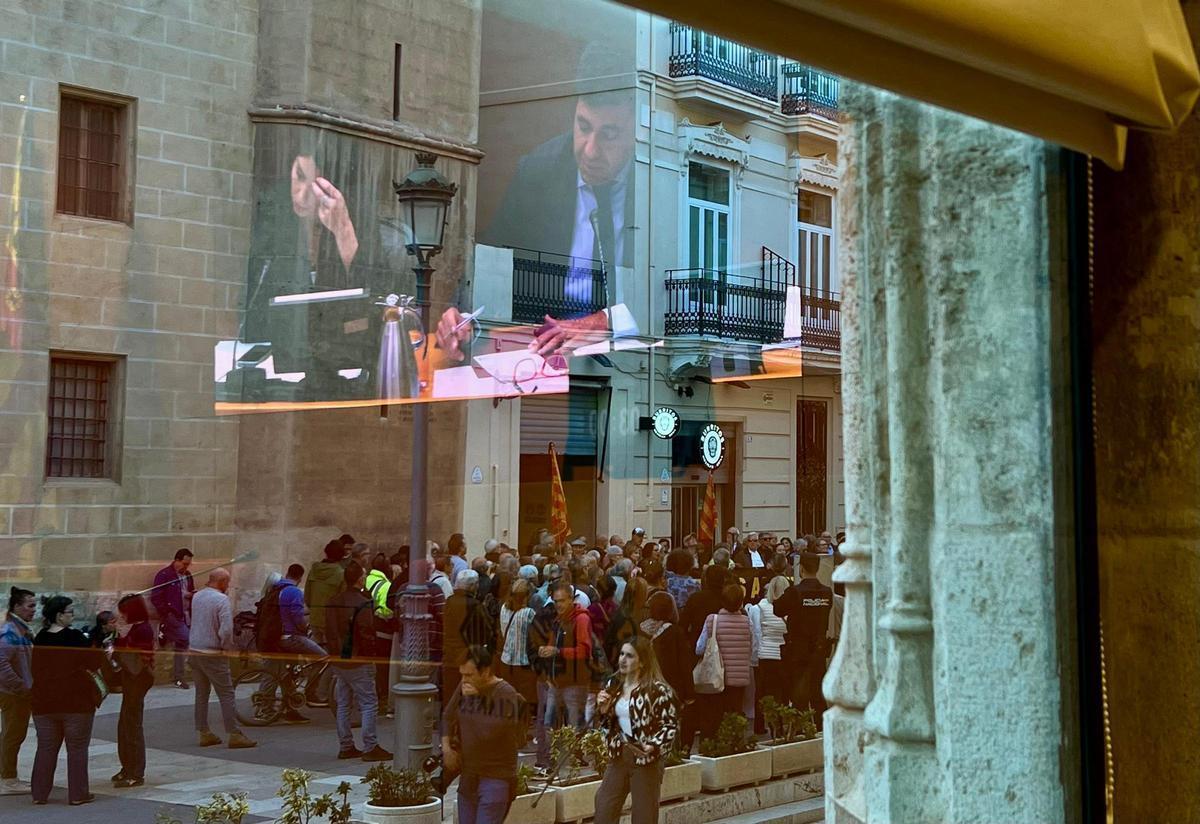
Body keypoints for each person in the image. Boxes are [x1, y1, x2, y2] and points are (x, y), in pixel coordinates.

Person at [594, 636, 678, 824]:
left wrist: (653, 746)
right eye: (622, 654)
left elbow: (670, 725)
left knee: (644, 816)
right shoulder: (613, 686)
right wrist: (603, 711)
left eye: (630, 656)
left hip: (646, 759)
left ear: (642, 662)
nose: (623, 659)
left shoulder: (658, 690)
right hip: (619, 755)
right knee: (604, 808)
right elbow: (607, 725)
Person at [443, 645, 528, 824]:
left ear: (485, 672)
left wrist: (476, 699)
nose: (464, 679)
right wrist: (447, 749)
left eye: (469, 675)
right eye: (462, 674)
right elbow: (447, 716)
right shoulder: (466, 686)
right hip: (468, 776)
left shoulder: (505, 693)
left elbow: (489, 732)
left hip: (495, 777)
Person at [30, 596, 102, 806]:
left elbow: (36, 669)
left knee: (45, 748)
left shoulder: (41, 637)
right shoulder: (75, 637)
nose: (73, 615)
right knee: (77, 748)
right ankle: (78, 794)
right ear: (59, 615)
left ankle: (39, 794)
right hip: (75, 703)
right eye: (70, 612)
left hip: (44, 703)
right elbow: (95, 660)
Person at [326, 561, 391, 761]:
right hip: (358, 658)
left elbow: (331, 631)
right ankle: (370, 745)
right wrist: (371, 654)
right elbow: (366, 632)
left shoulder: (334, 601)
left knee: (344, 703)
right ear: (360, 579)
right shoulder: (362, 602)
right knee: (368, 702)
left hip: (339, 658)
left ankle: (346, 745)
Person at [191, 569, 257, 749]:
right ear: (221, 582)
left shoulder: (197, 596)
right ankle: (234, 733)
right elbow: (226, 630)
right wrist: (227, 647)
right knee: (226, 693)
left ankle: (204, 732)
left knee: (201, 693)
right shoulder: (221, 600)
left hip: (195, 649)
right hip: (212, 652)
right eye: (227, 582)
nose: (228, 586)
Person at [535, 580, 593, 768]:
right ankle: (549, 759)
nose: (558, 604)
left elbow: (584, 650)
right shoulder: (558, 621)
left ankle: (575, 758)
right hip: (556, 680)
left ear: (571, 599)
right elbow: (555, 645)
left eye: (562, 600)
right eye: (556, 601)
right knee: (549, 722)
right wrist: (547, 650)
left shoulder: (581, 619)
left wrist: (557, 651)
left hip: (575, 681)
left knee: (575, 723)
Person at [773, 553, 833, 723]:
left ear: (801, 568)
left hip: (798, 651)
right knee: (817, 694)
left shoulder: (794, 592)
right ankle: (821, 730)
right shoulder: (827, 593)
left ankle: (800, 730)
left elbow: (777, 609)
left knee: (798, 695)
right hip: (819, 651)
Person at [694, 584, 755, 742]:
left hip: (715, 678)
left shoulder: (712, 620)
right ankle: (733, 746)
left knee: (713, 716)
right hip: (739, 678)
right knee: (734, 715)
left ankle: (711, 746)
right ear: (741, 602)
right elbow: (753, 648)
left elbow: (699, 648)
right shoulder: (747, 623)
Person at [112, 594, 155, 788]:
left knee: (132, 725)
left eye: (123, 613)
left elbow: (137, 661)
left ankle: (136, 771)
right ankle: (126, 767)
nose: (121, 617)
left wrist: (121, 640)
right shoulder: (137, 628)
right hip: (131, 679)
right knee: (125, 724)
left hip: (138, 679)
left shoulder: (143, 629)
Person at [0, 587, 35, 796]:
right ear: (16, 607)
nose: (33, 610)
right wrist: (21, 687)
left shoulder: (19, 630)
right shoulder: (10, 633)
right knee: (13, 734)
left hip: (15, 691)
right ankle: (8, 778)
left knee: (11, 733)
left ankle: (7, 775)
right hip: (13, 694)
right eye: (30, 606)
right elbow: (1, 664)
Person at [443, 570, 496, 702]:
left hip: (449, 654)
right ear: (473, 586)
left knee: (450, 692)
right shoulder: (474, 605)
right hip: (468, 656)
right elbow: (487, 630)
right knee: (467, 692)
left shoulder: (449, 601)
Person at [151, 547, 195, 689]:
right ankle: (165, 630)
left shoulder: (188, 575)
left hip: (186, 615)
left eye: (188, 564)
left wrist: (191, 595)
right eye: (184, 563)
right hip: (173, 615)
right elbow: (156, 597)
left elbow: (189, 591)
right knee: (186, 638)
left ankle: (178, 677)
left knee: (181, 647)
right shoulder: (164, 575)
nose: (186, 567)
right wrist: (166, 614)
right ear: (176, 560)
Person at [498, 579, 537, 713]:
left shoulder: (503, 608)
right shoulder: (529, 613)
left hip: (506, 658)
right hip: (523, 660)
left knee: (508, 696)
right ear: (526, 595)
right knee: (523, 697)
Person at [756, 575, 790, 710]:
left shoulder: (761, 606)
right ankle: (781, 726)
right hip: (783, 655)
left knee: (764, 692)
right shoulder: (790, 607)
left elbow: (757, 630)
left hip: (765, 654)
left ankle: (762, 724)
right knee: (782, 693)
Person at [680, 564, 727, 647]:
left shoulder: (695, 598)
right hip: (723, 645)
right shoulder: (727, 598)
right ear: (723, 580)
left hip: (697, 644)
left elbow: (683, 624)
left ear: (706, 579)